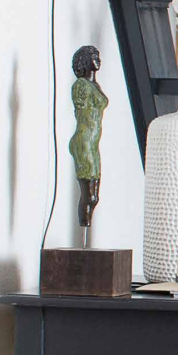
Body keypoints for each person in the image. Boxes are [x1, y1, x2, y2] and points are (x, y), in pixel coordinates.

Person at [69, 45, 109, 229]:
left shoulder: (94, 85)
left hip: (92, 143)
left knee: (94, 198)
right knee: (89, 196)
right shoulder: (81, 85)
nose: (97, 58)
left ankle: (86, 229)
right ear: (85, 60)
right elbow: (81, 109)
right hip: (84, 142)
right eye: (93, 55)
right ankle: (83, 229)